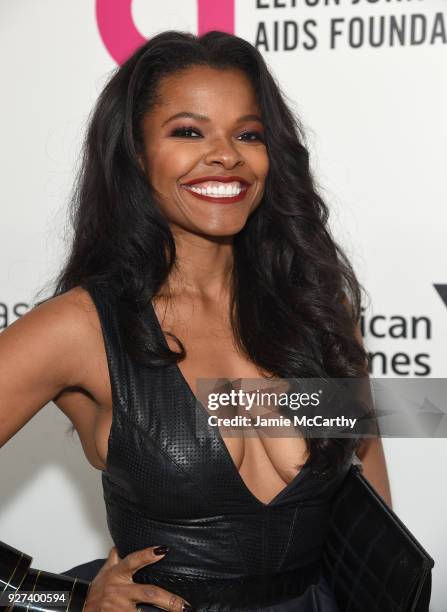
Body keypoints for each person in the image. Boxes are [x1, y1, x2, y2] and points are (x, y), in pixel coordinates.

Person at [0, 30, 391, 611]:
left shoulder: (316, 309)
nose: (225, 154)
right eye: (188, 131)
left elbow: (374, 514)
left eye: (248, 134)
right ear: (136, 154)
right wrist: (54, 598)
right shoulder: (79, 328)